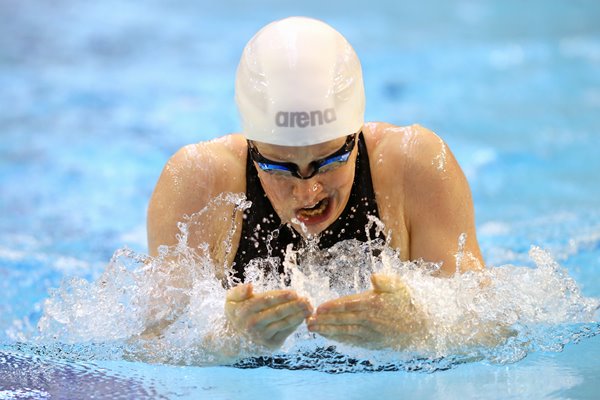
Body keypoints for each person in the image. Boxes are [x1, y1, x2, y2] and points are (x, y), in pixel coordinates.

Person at [147, 17, 484, 351]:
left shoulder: (413, 165)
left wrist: (415, 328)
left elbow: (490, 328)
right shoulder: (201, 182)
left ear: (354, 135)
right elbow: (149, 344)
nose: (307, 191)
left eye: (329, 161)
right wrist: (228, 342)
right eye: (278, 166)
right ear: (253, 148)